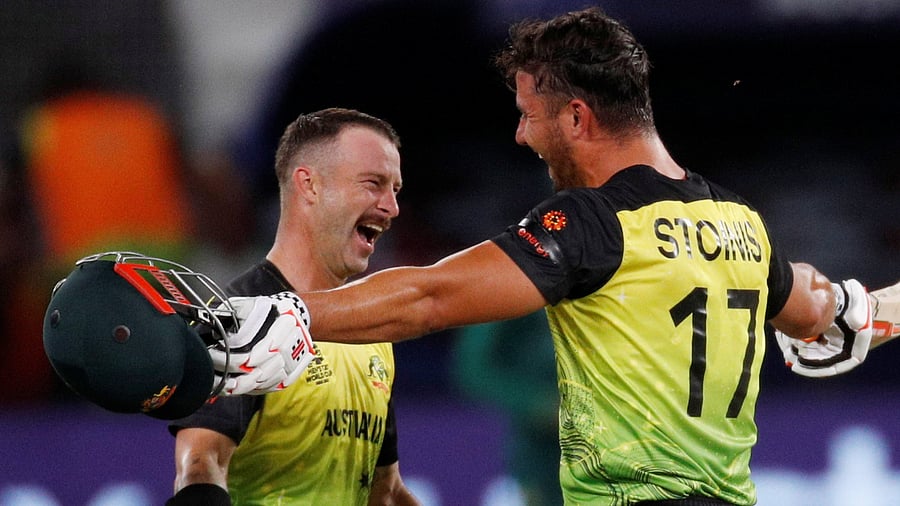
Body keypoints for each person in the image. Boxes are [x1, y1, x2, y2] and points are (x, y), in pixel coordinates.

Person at [228, 7, 884, 505]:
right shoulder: (741, 224)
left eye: (527, 114)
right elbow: (828, 317)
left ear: (575, 118)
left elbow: (429, 297)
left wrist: (273, 319)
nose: (519, 134)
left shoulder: (593, 223)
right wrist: (868, 306)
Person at [167, 108, 420, 505]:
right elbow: (201, 463)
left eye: (396, 190)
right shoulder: (240, 323)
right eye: (374, 184)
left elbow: (384, 492)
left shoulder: (371, 330)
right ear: (310, 185)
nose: (392, 207)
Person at [451, 311, 561, 505]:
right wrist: (536, 403)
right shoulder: (514, 286)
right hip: (542, 451)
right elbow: (474, 367)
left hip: (612, 436)